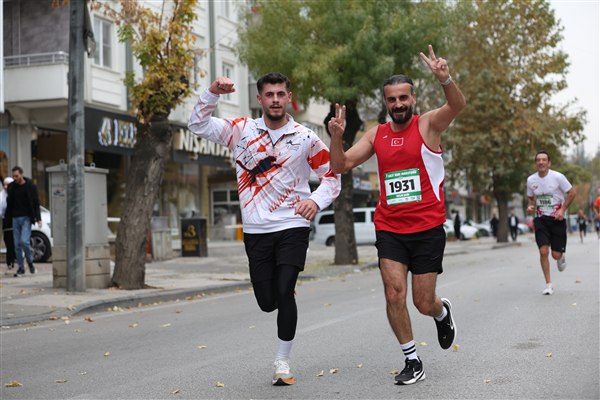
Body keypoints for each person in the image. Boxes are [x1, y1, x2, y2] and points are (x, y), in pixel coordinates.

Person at [187, 72, 340, 386]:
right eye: (269, 95)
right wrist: (212, 92)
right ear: (260, 99)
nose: (275, 100)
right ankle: (283, 292)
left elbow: (332, 176)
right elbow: (197, 124)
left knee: (284, 290)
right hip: (256, 230)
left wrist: (315, 201)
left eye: (281, 94)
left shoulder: (305, 137)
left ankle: (282, 362)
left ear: (289, 97)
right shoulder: (241, 130)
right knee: (267, 301)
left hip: (293, 224)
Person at [328, 45, 466, 385]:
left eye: (403, 98)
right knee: (393, 293)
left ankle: (441, 312)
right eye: (392, 100)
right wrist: (336, 139)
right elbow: (340, 165)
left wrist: (445, 79)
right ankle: (412, 360)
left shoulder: (428, 124)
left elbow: (457, 106)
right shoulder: (377, 135)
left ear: (413, 98)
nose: (398, 104)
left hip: (427, 227)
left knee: (422, 302)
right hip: (390, 227)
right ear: (386, 102)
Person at [526, 150, 576, 295]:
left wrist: (563, 209)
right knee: (543, 251)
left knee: (555, 255)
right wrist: (530, 206)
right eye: (538, 160)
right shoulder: (531, 180)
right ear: (536, 163)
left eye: (544, 160)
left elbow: (572, 193)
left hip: (557, 219)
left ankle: (561, 256)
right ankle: (548, 284)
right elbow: (531, 198)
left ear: (549, 163)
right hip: (541, 219)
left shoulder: (558, 177)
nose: (541, 162)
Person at [5, 166, 42, 277]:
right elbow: (9, 204)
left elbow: (36, 203)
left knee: (24, 241)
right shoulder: (11, 187)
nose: (15, 178)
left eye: (16, 176)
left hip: (26, 218)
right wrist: (7, 218)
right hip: (15, 218)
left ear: (21, 174)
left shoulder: (30, 186)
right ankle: (21, 267)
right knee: (16, 245)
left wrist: (38, 218)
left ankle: (30, 262)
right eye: (13, 176)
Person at [0, 177, 16, 270]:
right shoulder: (1, 195)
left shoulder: (14, 195)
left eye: (8, 185)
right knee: (7, 241)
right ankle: (10, 261)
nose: (6, 187)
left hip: (15, 221)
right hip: (5, 222)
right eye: (4, 184)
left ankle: (12, 260)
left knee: (14, 242)